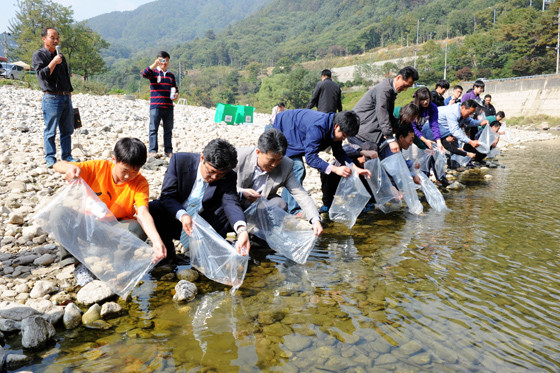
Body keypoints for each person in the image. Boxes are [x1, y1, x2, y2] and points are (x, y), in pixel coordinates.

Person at [53, 137, 167, 265]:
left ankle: (117, 266)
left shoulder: (140, 183)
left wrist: (156, 240)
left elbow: (143, 213)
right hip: (88, 225)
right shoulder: (97, 168)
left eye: (135, 172)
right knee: (59, 212)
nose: (128, 177)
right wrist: (69, 169)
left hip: (114, 230)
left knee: (137, 228)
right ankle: (73, 262)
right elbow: (57, 164)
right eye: (124, 170)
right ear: (114, 159)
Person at [149, 139, 250, 263]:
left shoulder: (229, 176)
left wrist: (242, 231)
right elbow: (167, 196)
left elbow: (231, 202)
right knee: (153, 208)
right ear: (202, 158)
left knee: (231, 211)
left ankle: (211, 255)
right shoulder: (179, 161)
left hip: (203, 223)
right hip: (177, 219)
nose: (214, 178)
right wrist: (183, 215)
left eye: (220, 175)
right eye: (211, 172)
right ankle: (167, 255)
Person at [272, 109, 371, 215]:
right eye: (343, 136)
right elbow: (310, 157)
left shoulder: (333, 127)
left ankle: (284, 209)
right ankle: (294, 211)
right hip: (283, 130)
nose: (343, 139)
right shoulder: (318, 127)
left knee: (295, 168)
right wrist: (335, 169)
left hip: (296, 132)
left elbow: (339, 152)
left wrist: (355, 168)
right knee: (297, 168)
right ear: (337, 127)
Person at [236, 129, 323, 236]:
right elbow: (221, 183)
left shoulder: (286, 165)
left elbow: (300, 194)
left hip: (260, 206)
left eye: (279, 160)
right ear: (258, 152)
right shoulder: (240, 156)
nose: (274, 165)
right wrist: (242, 191)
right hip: (235, 201)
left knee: (280, 204)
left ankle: (259, 234)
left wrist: (315, 220)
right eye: (271, 160)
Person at [32, 27, 79, 168]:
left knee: (67, 129)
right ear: (44, 39)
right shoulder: (39, 55)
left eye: (57, 38)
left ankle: (67, 156)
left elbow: (65, 76)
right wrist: (53, 62)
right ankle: (50, 158)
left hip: (65, 97)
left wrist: (69, 92)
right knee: (51, 130)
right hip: (51, 97)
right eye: (52, 37)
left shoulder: (61, 56)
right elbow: (42, 75)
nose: (56, 40)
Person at [351, 66, 419, 153]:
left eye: (408, 87)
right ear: (398, 77)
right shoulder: (384, 90)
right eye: (405, 85)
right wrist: (390, 139)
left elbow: (389, 115)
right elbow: (382, 113)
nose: (405, 89)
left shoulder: (390, 91)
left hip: (369, 131)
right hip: (361, 131)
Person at [142, 51, 179, 158]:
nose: (164, 63)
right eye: (162, 60)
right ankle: (153, 150)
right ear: (158, 60)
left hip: (168, 106)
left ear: (169, 61)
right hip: (156, 105)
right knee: (153, 129)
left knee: (168, 130)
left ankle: (168, 151)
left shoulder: (171, 75)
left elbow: (175, 88)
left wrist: (176, 95)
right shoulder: (153, 73)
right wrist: (154, 64)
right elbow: (144, 74)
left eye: (166, 60)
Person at [378, 121, 421, 185]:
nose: (411, 143)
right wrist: (413, 175)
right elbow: (396, 169)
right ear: (401, 137)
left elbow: (401, 162)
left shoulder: (398, 147)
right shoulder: (391, 147)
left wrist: (413, 163)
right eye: (411, 139)